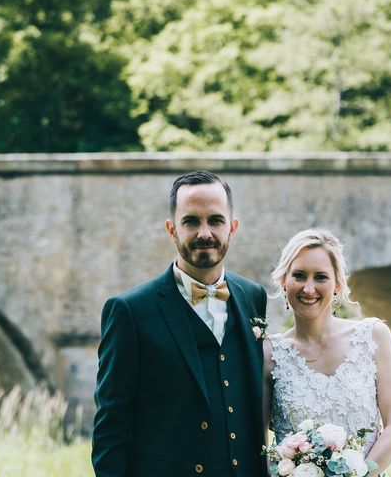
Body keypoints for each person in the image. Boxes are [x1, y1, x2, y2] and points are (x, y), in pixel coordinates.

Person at [92, 170, 268, 477]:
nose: (204, 233)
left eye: (215, 220)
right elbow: (111, 427)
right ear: (172, 229)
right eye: (191, 221)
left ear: (233, 227)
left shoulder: (253, 297)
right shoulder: (129, 312)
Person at [263, 229, 391, 476]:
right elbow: (259, 445)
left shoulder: (373, 336)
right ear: (283, 281)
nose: (308, 288)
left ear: (338, 284)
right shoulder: (269, 354)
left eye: (320, 277)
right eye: (299, 275)